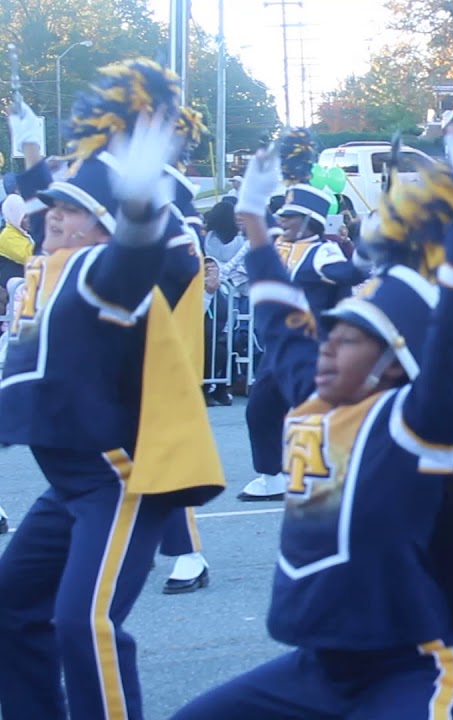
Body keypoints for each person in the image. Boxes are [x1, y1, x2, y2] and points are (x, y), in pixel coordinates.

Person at [175, 118, 453, 720]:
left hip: (415, 668)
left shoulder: (418, 421)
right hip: (315, 668)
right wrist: (251, 217)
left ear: (394, 365)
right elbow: (279, 320)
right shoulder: (313, 402)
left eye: (350, 340)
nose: (327, 347)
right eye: (330, 335)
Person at [0, 61, 224, 719]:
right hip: (67, 483)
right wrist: (36, 153)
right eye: (52, 209)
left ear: (100, 226)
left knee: (85, 624)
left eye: (67, 211)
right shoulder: (47, 270)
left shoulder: (100, 269)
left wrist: (141, 192)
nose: (52, 219)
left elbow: (138, 253)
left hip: (117, 479)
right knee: (11, 607)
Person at [238, 129, 368, 502]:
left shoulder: (323, 252)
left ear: (310, 220)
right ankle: (272, 475)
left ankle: (346, 473)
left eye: (293, 217)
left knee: (323, 414)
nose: (286, 222)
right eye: (284, 216)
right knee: (261, 408)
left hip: (317, 347)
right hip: (280, 346)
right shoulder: (277, 247)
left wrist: (364, 255)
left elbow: (348, 274)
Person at [202, 256, 233, 407]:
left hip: (219, 333)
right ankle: (204, 390)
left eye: (214, 269)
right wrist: (208, 292)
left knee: (231, 346)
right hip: (199, 335)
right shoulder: (195, 289)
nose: (211, 273)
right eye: (207, 270)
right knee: (213, 350)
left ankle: (221, 390)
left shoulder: (226, 289)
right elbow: (197, 313)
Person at [0, 194, 34, 290]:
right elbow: (31, 256)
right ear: (15, 217)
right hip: (16, 289)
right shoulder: (6, 237)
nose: (29, 220)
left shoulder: (24, 231)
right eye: (24, 217)